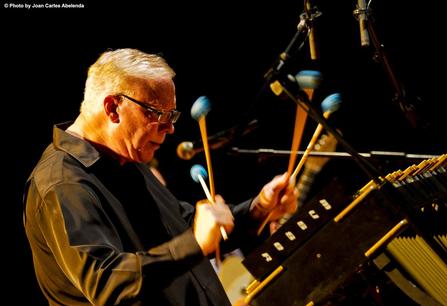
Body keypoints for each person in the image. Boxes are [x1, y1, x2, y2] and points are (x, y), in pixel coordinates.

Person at [23, 48, 297, 306]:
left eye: (172, 115)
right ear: (112, 108)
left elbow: (182, 227)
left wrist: (260, 209)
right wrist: (193, 244)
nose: (169, 128)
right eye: (156, 113)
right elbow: (106, 282)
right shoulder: (62, 183)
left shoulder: (127, 157)